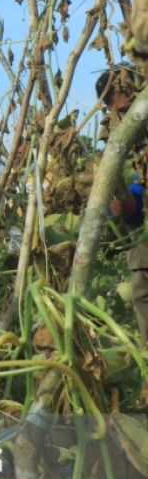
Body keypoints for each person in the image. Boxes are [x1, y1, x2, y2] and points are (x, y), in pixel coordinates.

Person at [96, 65, 148, 344]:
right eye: (123, 111)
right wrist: (122, 204)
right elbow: (111, 200)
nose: (132, 116)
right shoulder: (115, 148)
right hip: (141, 238)